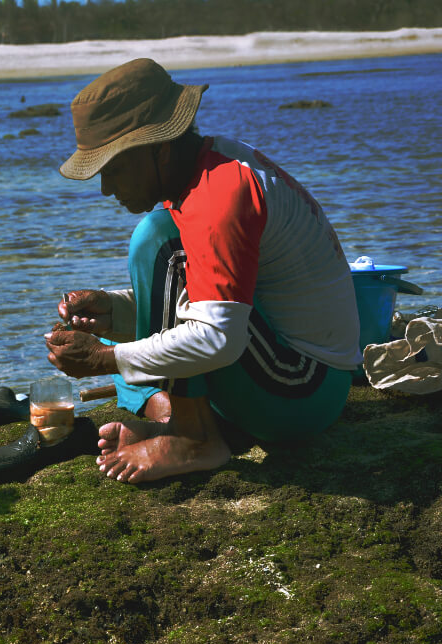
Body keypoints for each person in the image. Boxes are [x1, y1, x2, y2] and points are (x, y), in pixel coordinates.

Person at [46, 58, 361, 483]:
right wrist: (116, 312)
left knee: (158, 243)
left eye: (113, 168)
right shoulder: (209, 169)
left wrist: (106, 359)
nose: (105, 188)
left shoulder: (219, 196)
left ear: (158, 148)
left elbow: (220, 338)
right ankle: (187, 419)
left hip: (304, 389)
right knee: (154, 248)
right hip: (286, 376)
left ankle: (192, 436)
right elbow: (216, 298)